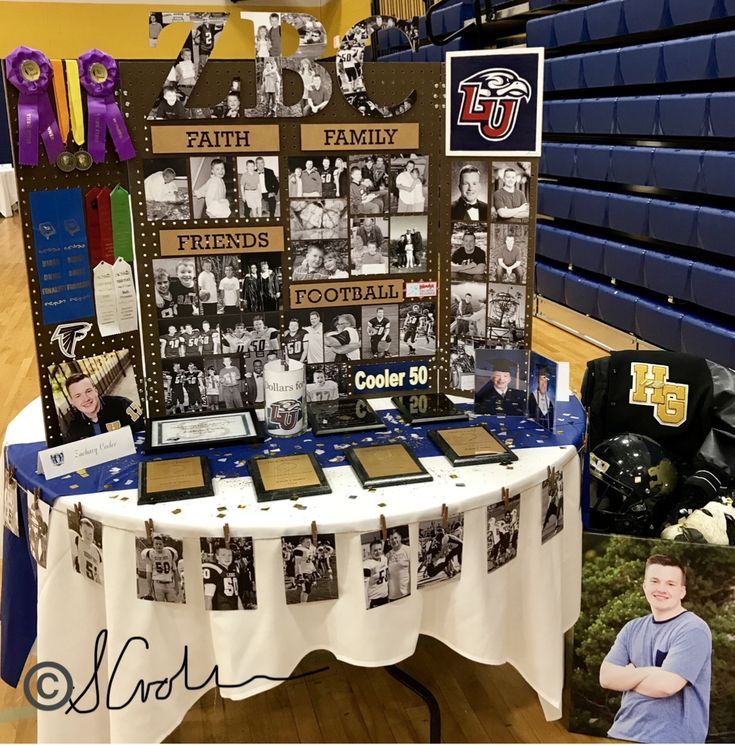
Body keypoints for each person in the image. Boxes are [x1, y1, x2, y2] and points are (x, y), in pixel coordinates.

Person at [600, 555, 712, 744]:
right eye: (655, 581)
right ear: (645, 585)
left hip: (670, 739)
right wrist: (652, 672)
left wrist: (629, 676)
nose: (661, 589)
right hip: (620, 733)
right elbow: (605, 677)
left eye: (670, 584)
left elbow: (666, 686)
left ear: (682, 591)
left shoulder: (693, 629)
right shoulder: (632, 628)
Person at [64, 373, 144, 441]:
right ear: (71, 401)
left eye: (88, 391)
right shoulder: (74, 428)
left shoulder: (123, 406)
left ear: (96, 391)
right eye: (78, 396)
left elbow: (146, 433)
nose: (86, 399)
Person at [202, 544, 242, 611]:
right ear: (217, 557)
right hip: (220, 613)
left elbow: (236, 596)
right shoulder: (214, 570)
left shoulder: (233, 570)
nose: (227, 558)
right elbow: (208, 598)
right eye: (223, 555)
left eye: (229, 555)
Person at [142, 535, 181, 603]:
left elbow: (175, 571)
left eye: (160, 544)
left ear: (163, 544)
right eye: (156, 544)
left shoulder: (170, 553)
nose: (158, 546)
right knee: (160, 606)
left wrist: (177, 587)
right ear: (153, 545)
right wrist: (149, 590)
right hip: (157, 584)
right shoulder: (150, 555)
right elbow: (149, 574)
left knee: (173, 605)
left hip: (170, 584)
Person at [72, 517, 102, 584]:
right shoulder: (77, 541)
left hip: (92, 586)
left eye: (90, 533)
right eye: (85, 531)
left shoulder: (96, 552)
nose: (88, 535)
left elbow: (97, 577)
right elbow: (72, 563)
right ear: (80, 531)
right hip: (81, 583)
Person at [363, 539, 389, 609]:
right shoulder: (368, 563)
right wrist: (371, 572)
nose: (378, 552)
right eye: (375, 550)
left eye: (379, 549)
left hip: (386, 596)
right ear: (371, 552)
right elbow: (365, 571)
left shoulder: (384, 559)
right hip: (375, 599)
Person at [292, 536, 317, 603]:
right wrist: (300, 575)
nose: (309, 543)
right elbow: (297, 563)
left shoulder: (309, 549)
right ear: (302, 543)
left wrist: (314, 571)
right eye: (307, 542)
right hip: (304, 572)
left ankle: (303, 603)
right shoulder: (299, 550)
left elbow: (309, 561)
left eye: (310, 542)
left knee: (307, 590)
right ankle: (303, 604)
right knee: (305, 590)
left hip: (309, 571)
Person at [386, 531, 410, 601]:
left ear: (400, 538)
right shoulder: (388, 555)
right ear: (389, 541)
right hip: (393, 596)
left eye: (395, 538)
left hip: (406, 593)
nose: (394, 540)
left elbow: (413, 571)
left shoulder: (408, 550)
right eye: (391, 539)